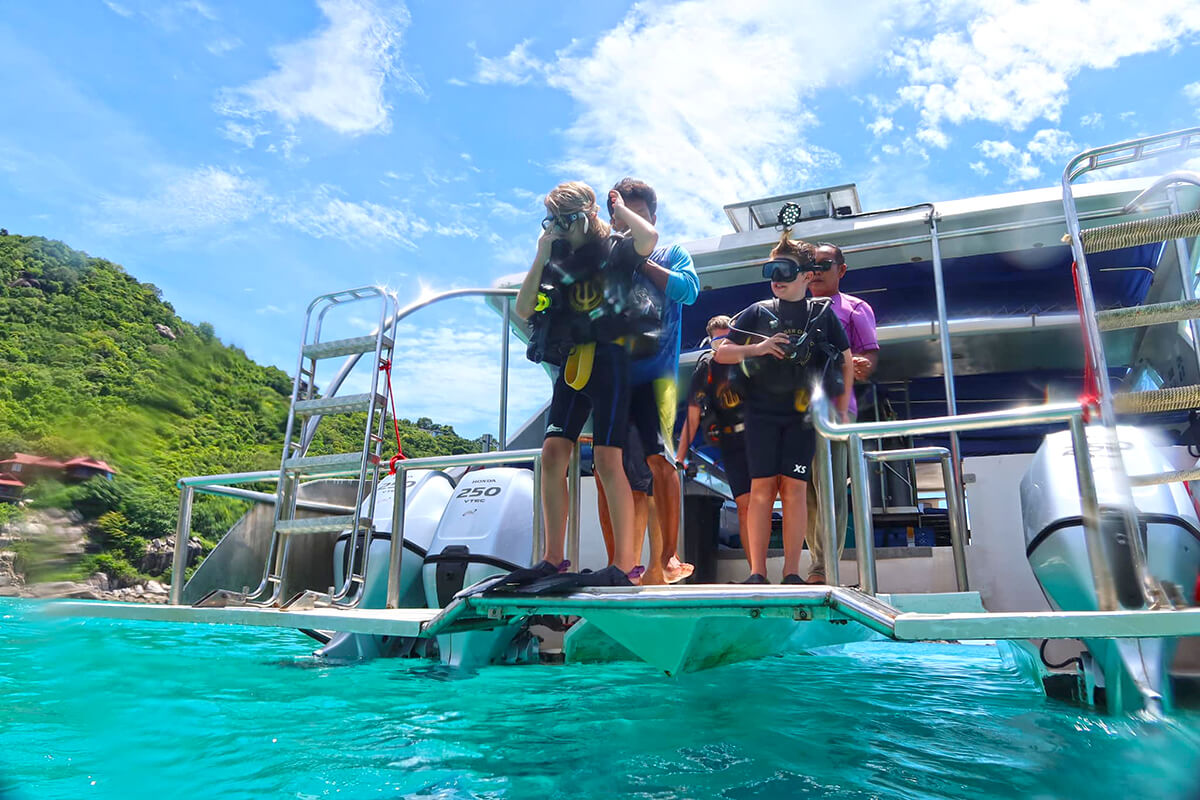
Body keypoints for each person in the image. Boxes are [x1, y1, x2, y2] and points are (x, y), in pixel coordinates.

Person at [512, 181, 658, 586]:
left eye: (564, 220)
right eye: (551, 221)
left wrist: (616, 208)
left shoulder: (616, 247)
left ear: (585, 216)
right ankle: (553, 557)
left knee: (609, 460)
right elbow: (524, 309)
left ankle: (626, 564)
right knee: (553, 454)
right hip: (574, 363)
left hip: (610, 361)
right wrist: (542, 252)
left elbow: (649, 238)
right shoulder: (558, 260)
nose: (557, 227)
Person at [714, 232, 853, 584]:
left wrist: (840, 406)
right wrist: (757, 349)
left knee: (794, 489)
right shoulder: (757, 312)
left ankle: (792, 571)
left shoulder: (822, 314)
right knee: (762, 489)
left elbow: (847, 360)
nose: (776, 279)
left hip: (802, 416)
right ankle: (757, 571)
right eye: (770, 271)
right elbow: (721, 352)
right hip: (760, 413)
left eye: (785, 271)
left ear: (807, 276)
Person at [595, 178, 700, 585]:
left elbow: (688, 291)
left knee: (661, 461)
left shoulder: (672, 252)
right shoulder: (606, 260)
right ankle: (621, 565)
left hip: (657, 381)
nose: (626, 223)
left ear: (652, 218)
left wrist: (641, 262)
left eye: (635, 214)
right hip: (612, 383)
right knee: (610, 473)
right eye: (619, 216)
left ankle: (669, 558)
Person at [804, 242, 879, 585]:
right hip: (793, 413)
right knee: (802, 490)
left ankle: (823, 568)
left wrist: (859, 365)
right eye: (811, 265)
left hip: (835, 411)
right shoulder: (791, 307)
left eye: (824, 264)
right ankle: (812, 564)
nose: (816, 271)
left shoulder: (855, 309)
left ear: (841, 270)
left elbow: (868, 360)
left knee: (830, 488)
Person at [677, 315, 751, 560]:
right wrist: (680, 457)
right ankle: (756, 573)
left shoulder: (749, 359)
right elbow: (693, 414)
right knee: (745, 506)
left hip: (761, 437)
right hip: (732, 444)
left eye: (725, 339)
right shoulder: (705, 368)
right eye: (715, 341)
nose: (720, 346)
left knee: (766, 501)